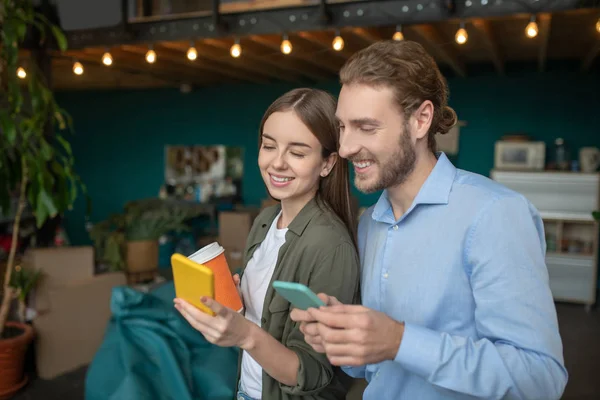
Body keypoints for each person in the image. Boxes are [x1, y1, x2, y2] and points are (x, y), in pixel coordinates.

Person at [291, 40, 568, 399]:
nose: (344, 148)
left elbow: (541, 378)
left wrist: (399, 340)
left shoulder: (495, 215)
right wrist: (343, 336)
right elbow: (369, 368)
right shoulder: (369, 223)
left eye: (366, 127)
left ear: (420, 120)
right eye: (343, 127)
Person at [174, 88, 361, 400]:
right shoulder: (264, 221)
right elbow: (265, 319)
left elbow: (313, 374)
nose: (277, 163)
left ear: (327, 163)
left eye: (297, 153)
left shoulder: (330, 245)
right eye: (268, 146)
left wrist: (244, 334)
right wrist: (233, 302)